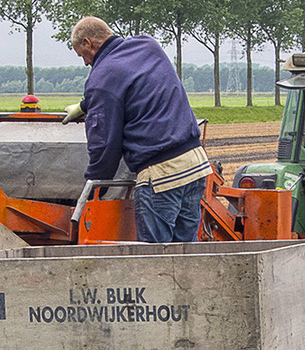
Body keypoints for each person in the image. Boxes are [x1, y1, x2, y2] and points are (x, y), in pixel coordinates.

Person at [68, 16, 211, 243]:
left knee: (153, 258)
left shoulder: (101, 77)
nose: (85, 63)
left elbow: (104, 146)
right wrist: (86, 105)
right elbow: (136, 82)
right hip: (196, 166)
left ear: (88, 43)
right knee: (187, 253)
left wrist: (93, 193)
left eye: (81, 55)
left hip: (161, 176)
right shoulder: (147, 45)